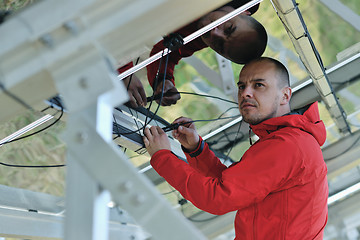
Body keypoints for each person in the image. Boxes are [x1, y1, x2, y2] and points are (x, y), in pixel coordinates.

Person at [143, 57, 328, 239]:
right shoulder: (289, 140)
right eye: (241, 86)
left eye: (258, 85)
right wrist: (196, 149)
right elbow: (230, 185)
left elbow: (217, 197)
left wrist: (162, 157)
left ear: (285, 95)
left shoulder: (287, 145)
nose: (246, 93)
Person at [119, 0, 267, 107]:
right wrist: (124, 69)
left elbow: (167, 54)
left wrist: (163, 81)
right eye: (229, 28)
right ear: (244, 11)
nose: (214, 33)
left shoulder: (203, 35)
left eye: (219, 45)